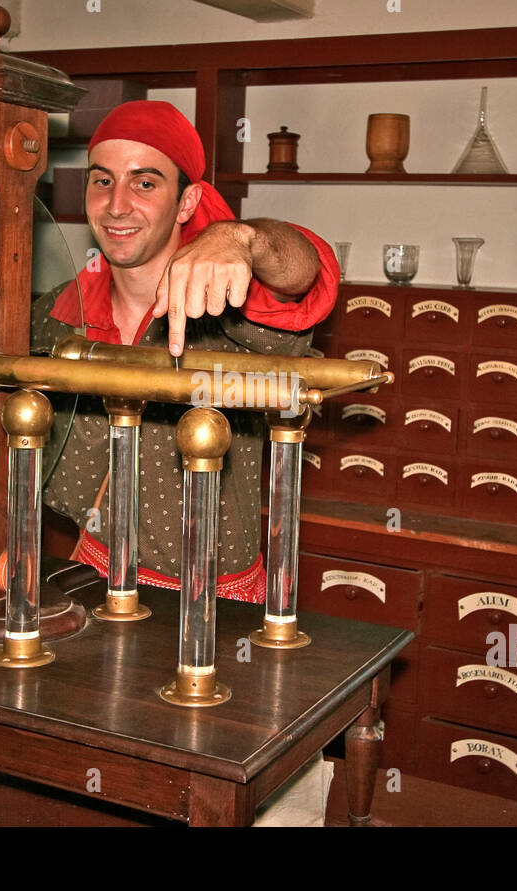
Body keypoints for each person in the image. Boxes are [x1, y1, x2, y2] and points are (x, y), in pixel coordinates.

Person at [32, 100, 338, 603]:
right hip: (91, 574)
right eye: (102, 180)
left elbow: (305, 271)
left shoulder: (236, 312)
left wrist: (240, 238)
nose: (117, 205)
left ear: (188, 202)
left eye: (145, 183)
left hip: (218, 598)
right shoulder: (58, 313)